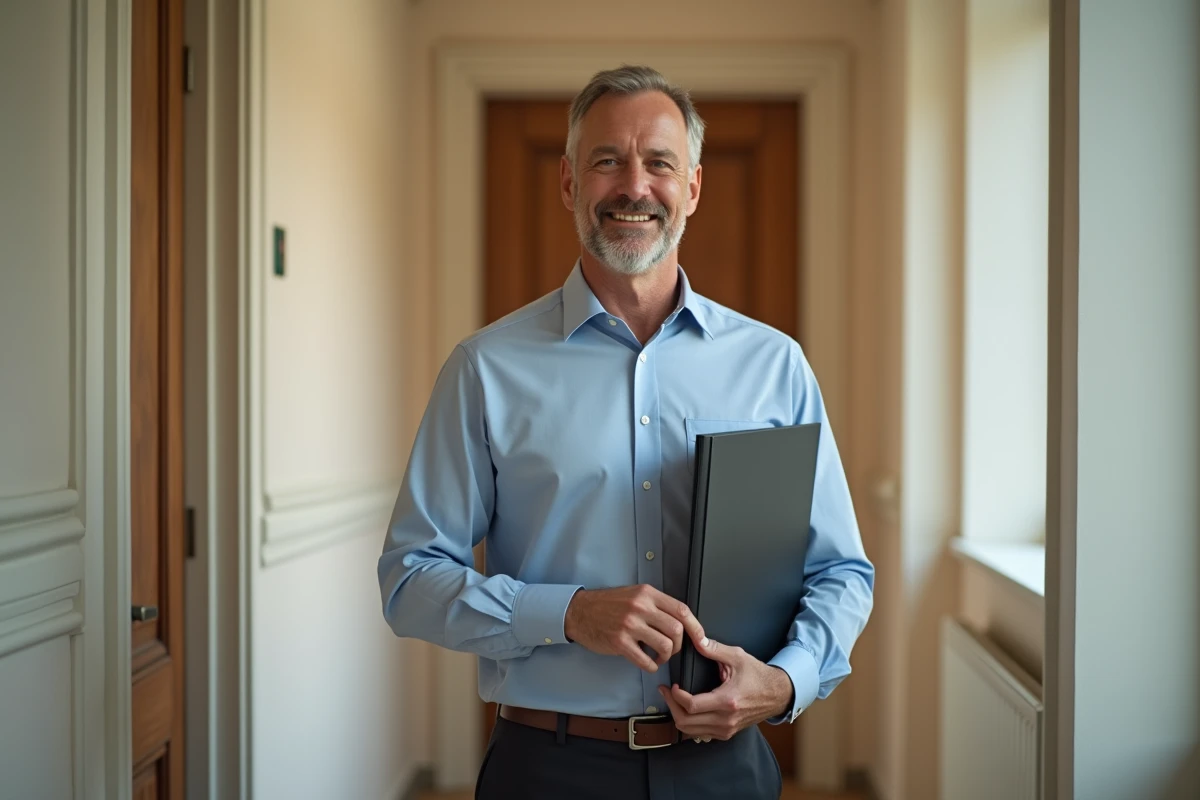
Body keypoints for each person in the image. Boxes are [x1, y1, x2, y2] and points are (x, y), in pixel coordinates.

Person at [378, 65, 874, 800]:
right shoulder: (485, 369)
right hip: (547, 767)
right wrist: (569, 612)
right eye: (607, 160)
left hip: (726, 768)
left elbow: (841, 572)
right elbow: (410, 578)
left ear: (694, 189)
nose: (633, 186)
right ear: (570, 185)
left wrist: (786, 681)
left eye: (659, 163)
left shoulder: (776, 367)